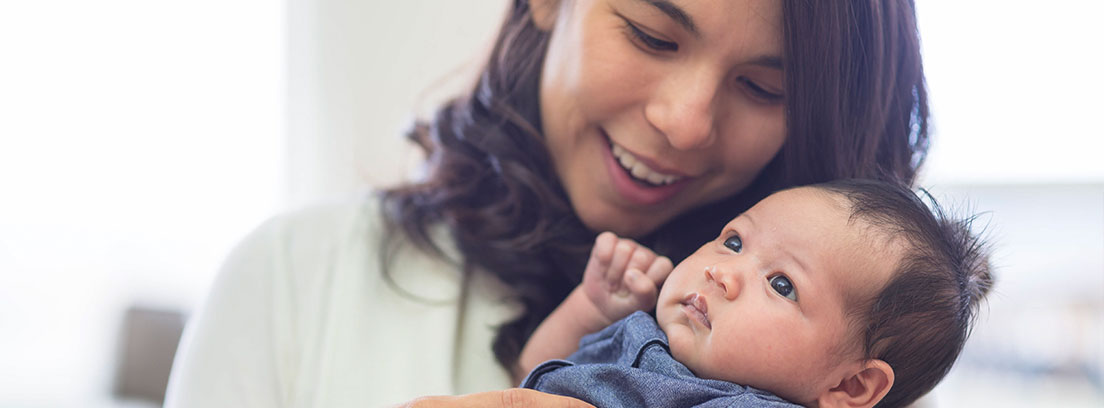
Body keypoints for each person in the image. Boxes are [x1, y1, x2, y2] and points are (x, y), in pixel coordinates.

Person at [165, 0, 931, 407]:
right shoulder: (295, 275)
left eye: (764, 88)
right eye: (651, 35)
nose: (684, 121)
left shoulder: (850, 351)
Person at [515, 180, 994, 408]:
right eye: (734, 242)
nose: (724, 274)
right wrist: (591, 307)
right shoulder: (643, 327)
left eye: (781, 285)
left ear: (850, 386)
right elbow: (528, 374)